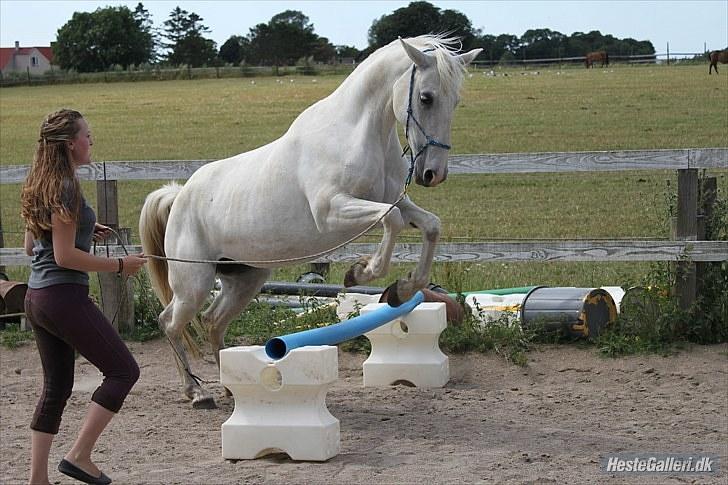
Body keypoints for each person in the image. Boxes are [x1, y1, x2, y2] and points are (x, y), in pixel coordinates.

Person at [20, 109, 147, 485]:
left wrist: (85, 229)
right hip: (62, 296)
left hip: (36, 297)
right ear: (70, 144)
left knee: (56, 389)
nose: (91, 141)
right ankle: (79, 456)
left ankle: (37, 480)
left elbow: (32, 247)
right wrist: (121, 266)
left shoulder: (40, 182)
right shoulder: (67, 188)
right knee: (124, 371)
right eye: (87, 135)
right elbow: (63, 257)